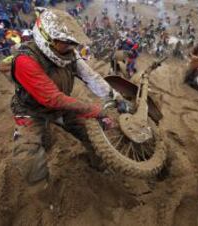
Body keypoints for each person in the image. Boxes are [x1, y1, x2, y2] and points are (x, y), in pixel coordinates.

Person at [11, 8, 127, 185]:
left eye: (72, 43)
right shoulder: (25, 60)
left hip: (62, 107)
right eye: (64, 43)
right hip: (32, 110)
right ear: (46, 36)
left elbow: (91, 77)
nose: (70, 47)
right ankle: (41, 192)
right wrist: (94, 110)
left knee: (93, 134)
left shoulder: (69, 55)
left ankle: (100, 167)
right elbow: (52, 98)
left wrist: (115, 97)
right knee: (29, 157)